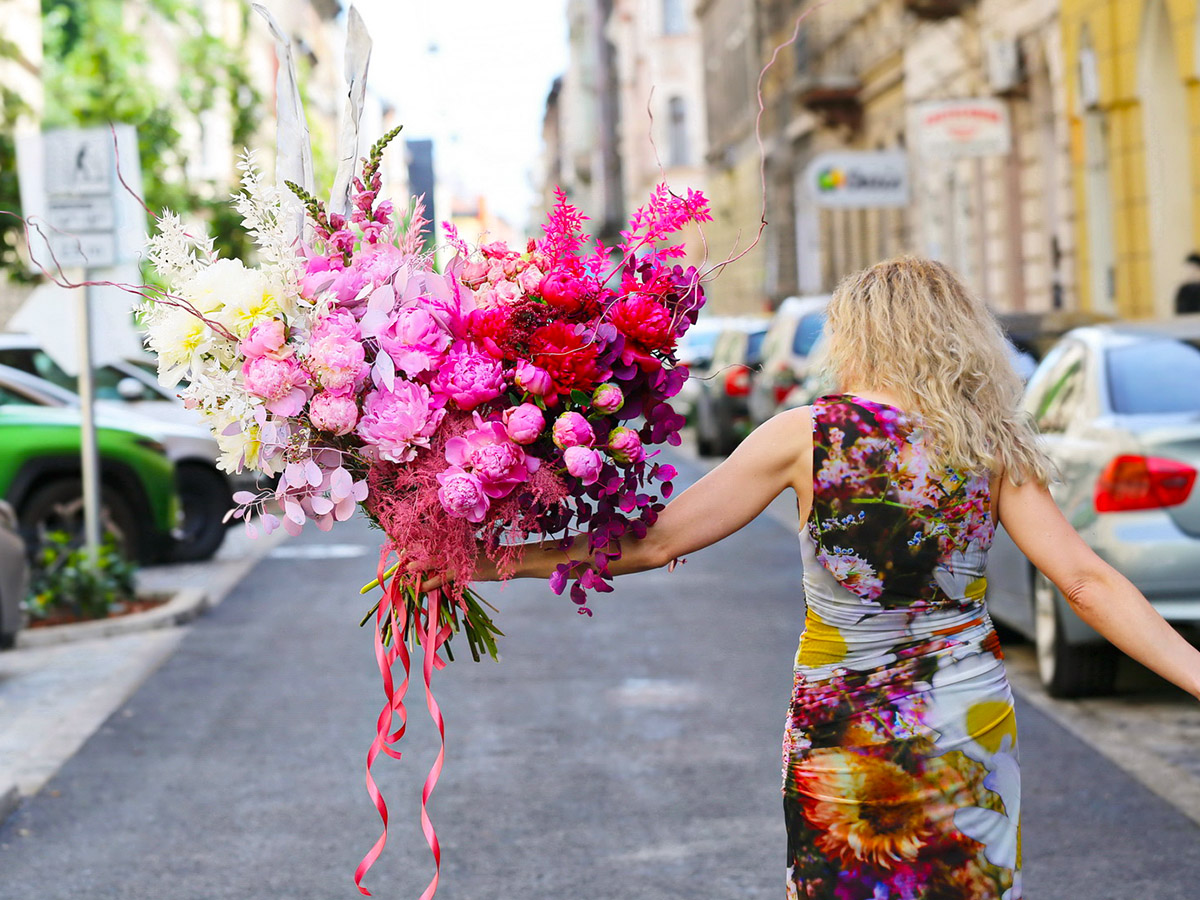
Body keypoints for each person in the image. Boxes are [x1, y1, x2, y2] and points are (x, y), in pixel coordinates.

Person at [419, 256, 1200, 899]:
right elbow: (1085, 582)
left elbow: (654, 544)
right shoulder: (992, 445)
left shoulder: (804, 436)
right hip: (964, 723)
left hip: (842, 724)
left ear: (858, 333)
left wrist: (487, 561)